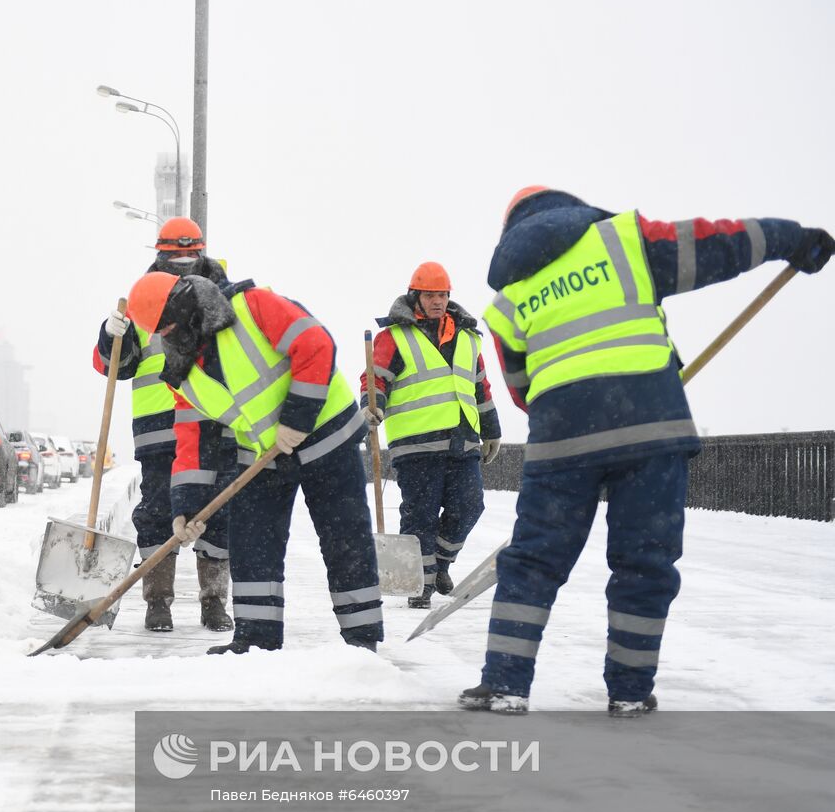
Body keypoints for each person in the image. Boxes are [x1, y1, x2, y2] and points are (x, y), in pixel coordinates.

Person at [460, 186, 834, 717]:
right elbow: (717, 244)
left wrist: (580, 412)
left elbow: (522, 390)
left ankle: (504, 684)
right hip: (651, 427)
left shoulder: (507, 300)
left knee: (534, 562)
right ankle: (630, 691)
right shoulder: (624, 242)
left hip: (562, 437)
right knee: (643, 563)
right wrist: (792, 240)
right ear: (572, 210)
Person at [124, 270, 385, 655]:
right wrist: (186, 508)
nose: (173, 336)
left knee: (344, 538)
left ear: (189, 305)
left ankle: (362, 641)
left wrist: (298, 419)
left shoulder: (252, 306)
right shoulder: (182, 372)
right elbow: (193, 442)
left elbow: (317, 345)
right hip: (263, 457)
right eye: (164, 332)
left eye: (174, 325)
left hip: (327, 434)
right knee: (251, 543)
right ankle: (256, 639)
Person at [93, 217, 232, 633]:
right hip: (160, 426)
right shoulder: (142, 299)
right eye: (175, 257)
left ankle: (213, 602)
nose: (183, 264)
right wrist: (109, 335)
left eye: (190, 255)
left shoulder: (224, 295)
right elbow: (112, 366)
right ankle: (158, 602)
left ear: (202, 252)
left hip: (212, 419)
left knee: (217, 512)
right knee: (157, 513)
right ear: (160, 256)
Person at [362, 261, 502, 609]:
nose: (438, 301)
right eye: (430, 295)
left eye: (442, 295)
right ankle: (419, 587)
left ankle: (438, 565)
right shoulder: (393, 338)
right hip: (416, 445)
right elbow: (374, 377)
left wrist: (492, 431)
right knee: (420, 516)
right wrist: (372, 404)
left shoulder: (468, 339)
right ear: (416, 297)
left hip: (462, 440)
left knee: (469, 506)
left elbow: (480, 388)